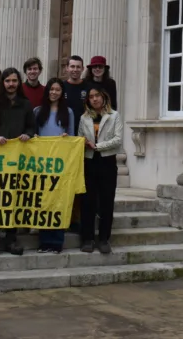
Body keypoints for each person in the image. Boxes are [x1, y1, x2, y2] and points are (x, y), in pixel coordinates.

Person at [0, 67, 37, 256]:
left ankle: (11, 238)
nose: (11, 84)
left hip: (18, 159)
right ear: (3, 83)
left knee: (14, 198)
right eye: (8, 81)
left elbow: (31, 127)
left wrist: (27, 135)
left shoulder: (26, 104)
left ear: (19, 83)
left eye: (14, 81)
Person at [77, 84, 122, 254]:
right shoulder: (84, 118)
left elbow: (118, 140)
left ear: (104, 97)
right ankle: (87, 238)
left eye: (97, 95)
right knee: (87, 202)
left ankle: (104, 239)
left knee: (106, 202)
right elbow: (81, 136)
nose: (94, 99)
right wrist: (83, 142)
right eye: (91, 96)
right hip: (89, 162)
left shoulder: (114, 115)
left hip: (107, 162)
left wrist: (97, 146)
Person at [32, 78, 75, 254]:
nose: (54, 93)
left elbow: (72, 136)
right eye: (51, 89)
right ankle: (44, 241)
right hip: (42, 164)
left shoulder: (69, 112)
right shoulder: (37, 111)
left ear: (61, 92)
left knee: (58, 202)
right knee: (44, 202)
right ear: (47, 91)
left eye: (57, 90)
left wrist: (66, 139)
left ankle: (56, 242)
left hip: (60, 163)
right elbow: (34, 135)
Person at [61, 56, 87, 136]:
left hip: (84, 131)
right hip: (65, 131)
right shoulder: (61, 87)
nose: (75, 70)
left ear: (82, 69)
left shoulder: (89, 87)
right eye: (72, 66)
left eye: (78, 67)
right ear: (67, 68)